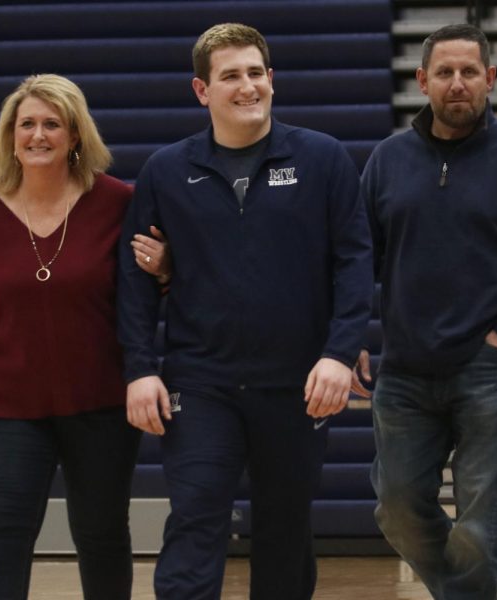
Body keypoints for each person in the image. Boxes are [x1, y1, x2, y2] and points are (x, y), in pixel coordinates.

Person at [116, 23, 373, 600]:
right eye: (230, 75)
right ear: (202, 91)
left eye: (256, 73)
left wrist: (337, 352)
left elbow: (355, 265)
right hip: (200, 383)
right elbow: (135, 279)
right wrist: (140, 367)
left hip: (297, 383)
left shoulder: (324, 159)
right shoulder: (164, 171)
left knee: (285, 532)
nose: (247, 86)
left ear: (272, 80)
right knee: (196, 517)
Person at [357, 24, 497, 600]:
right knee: (396, 508)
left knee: (480, 527)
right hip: (405, 370)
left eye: (468, 72)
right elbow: (359, 258)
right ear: (422, 81)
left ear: (489, 79)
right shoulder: (387, 161)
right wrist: (351, 336)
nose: (456, 84)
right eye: (443, 73)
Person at [0, 74, 168, 600]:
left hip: (102, 403)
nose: (38, 135)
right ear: (10, 137)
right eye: (27, 125)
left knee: (102, 533)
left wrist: (167, 267)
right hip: (11, 407)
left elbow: (155, 291)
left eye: (52, 124)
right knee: (4, 530)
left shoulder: (119, 203)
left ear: (75, 135)